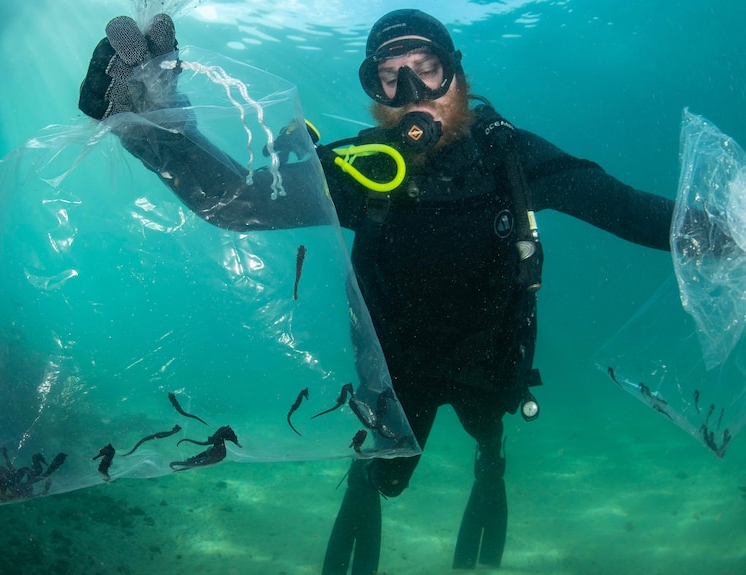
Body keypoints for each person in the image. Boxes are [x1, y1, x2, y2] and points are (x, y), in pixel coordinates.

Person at [78, 9, 674, 573]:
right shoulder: (366, 167)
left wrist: (730, 227)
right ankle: (369, 484)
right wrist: (153, 124)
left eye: (427, 69)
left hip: (491, 356)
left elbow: (627, 210)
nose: (413, 91)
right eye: (391, 77)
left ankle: (489, 464)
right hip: (398, 368)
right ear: (375, 92)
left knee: (486, 427)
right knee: (388, 477)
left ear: (457, 73)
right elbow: (238, 204)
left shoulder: (508, 157)